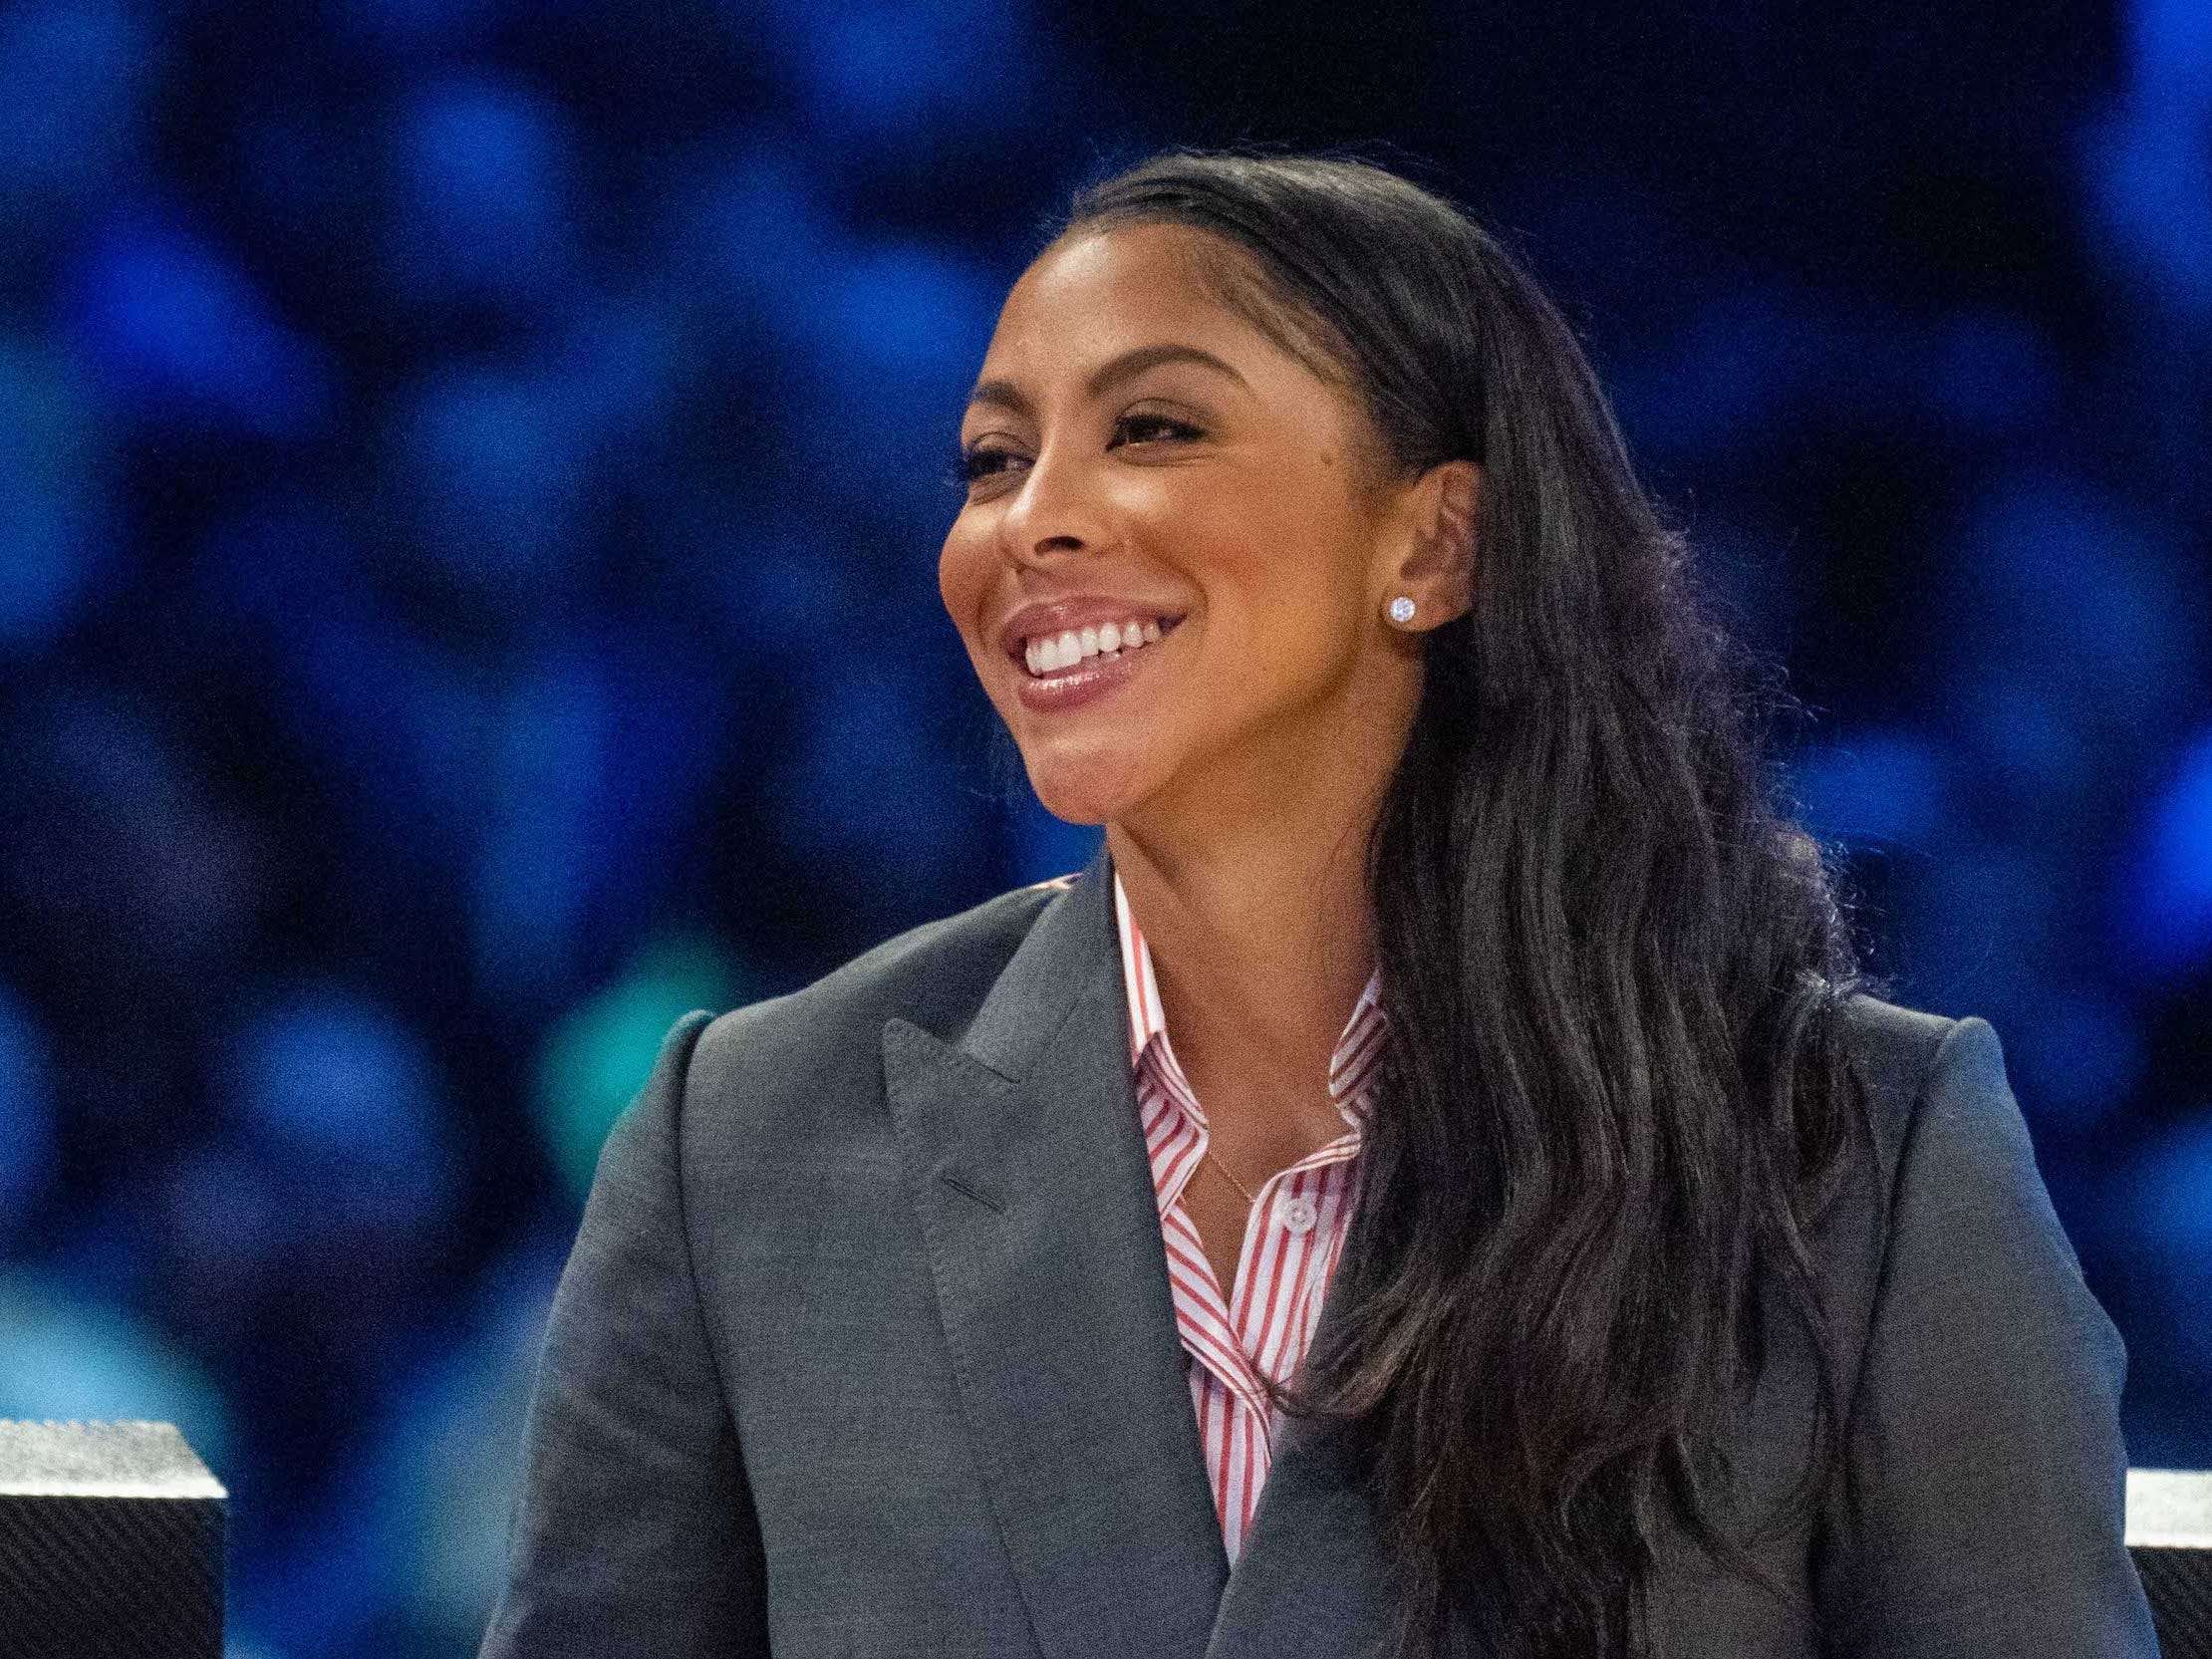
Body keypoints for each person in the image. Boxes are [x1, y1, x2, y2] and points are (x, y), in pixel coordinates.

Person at [478, 150, 2156, 1659]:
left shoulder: (1856, 1154)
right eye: (993, 459)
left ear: (1433, 540)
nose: (1032, 519)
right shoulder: (751, 1144)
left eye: (1153, 426)